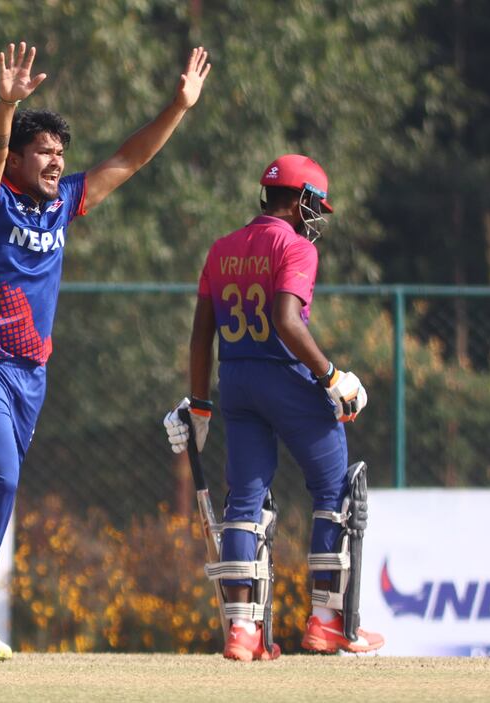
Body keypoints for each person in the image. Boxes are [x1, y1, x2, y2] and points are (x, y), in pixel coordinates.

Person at [0, 40, 211, 667]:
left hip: (31, 373)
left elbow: (129, 159)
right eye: (43, 150)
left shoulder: (64, 200)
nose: (55, 159)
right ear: (15, 158)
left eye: (60, 152)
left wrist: (178, 106)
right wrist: (6, 105)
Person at [163, 154, 384, 661]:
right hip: (287, 377)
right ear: (302, 199)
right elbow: (287, 319)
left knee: (244, 504)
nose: (317, 217)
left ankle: (242, 633)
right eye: (316, 206)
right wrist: (330, 376)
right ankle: (328, 624)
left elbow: (202, 334)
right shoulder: (296, 246)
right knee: (336, 495)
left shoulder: (222, 249)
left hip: (236, 380)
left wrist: (200, 405)